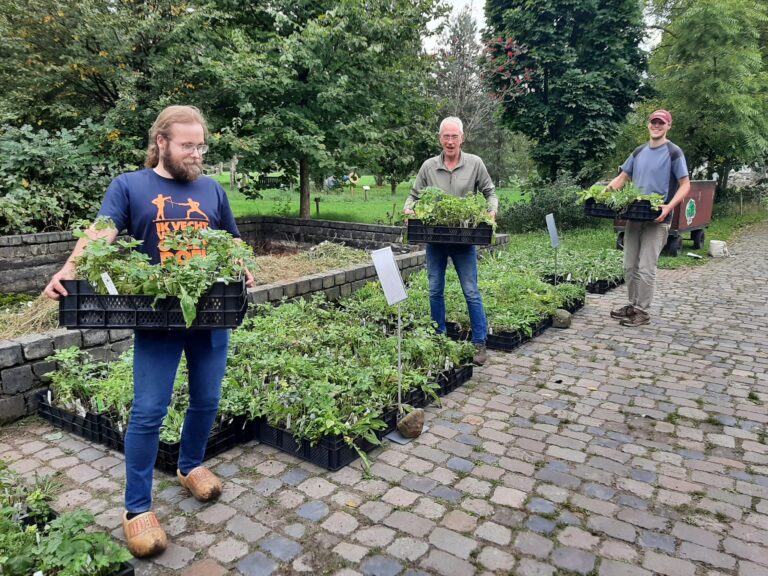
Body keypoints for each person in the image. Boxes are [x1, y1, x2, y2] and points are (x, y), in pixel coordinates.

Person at [43, 105, 254, 558]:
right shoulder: (131, 186)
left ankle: (191, 465)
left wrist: (242, 266)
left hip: (211, 312)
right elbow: (100, 234)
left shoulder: (213, 190)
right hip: (158, 317)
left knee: (208, 399)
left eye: (201, 146)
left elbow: (232, 239)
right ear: (161, 142)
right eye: (187, 145)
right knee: (148, 411)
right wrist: (68, 270)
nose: (196, 154)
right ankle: (136, 508)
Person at [404, 116, 498, 365]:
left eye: (454, 136)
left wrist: (491, 211)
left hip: (464, 239)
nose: (450, 141)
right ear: (440, 139)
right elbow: (413, 195)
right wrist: (408, 210)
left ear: (462, 138)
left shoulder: (475, 164)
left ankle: (479, 343)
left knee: (471, 291)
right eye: (446, 136)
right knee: (435, 290)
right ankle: (438, 338)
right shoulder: (428, 167)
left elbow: (489, 192)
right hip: (435, 239)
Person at [606, 109, 690, 327]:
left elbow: (685, 184)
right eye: (653, 122)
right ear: (648, 125)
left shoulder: (673, 152)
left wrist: (669, 206)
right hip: (635, 216)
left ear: (668, 126)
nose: (656, 126)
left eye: (661, 123)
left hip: (658, 219)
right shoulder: (639, 151)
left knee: (646, 267)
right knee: (629, 265)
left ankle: (642, 311)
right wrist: (603, 193)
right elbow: (623, 177)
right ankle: (632, 305)